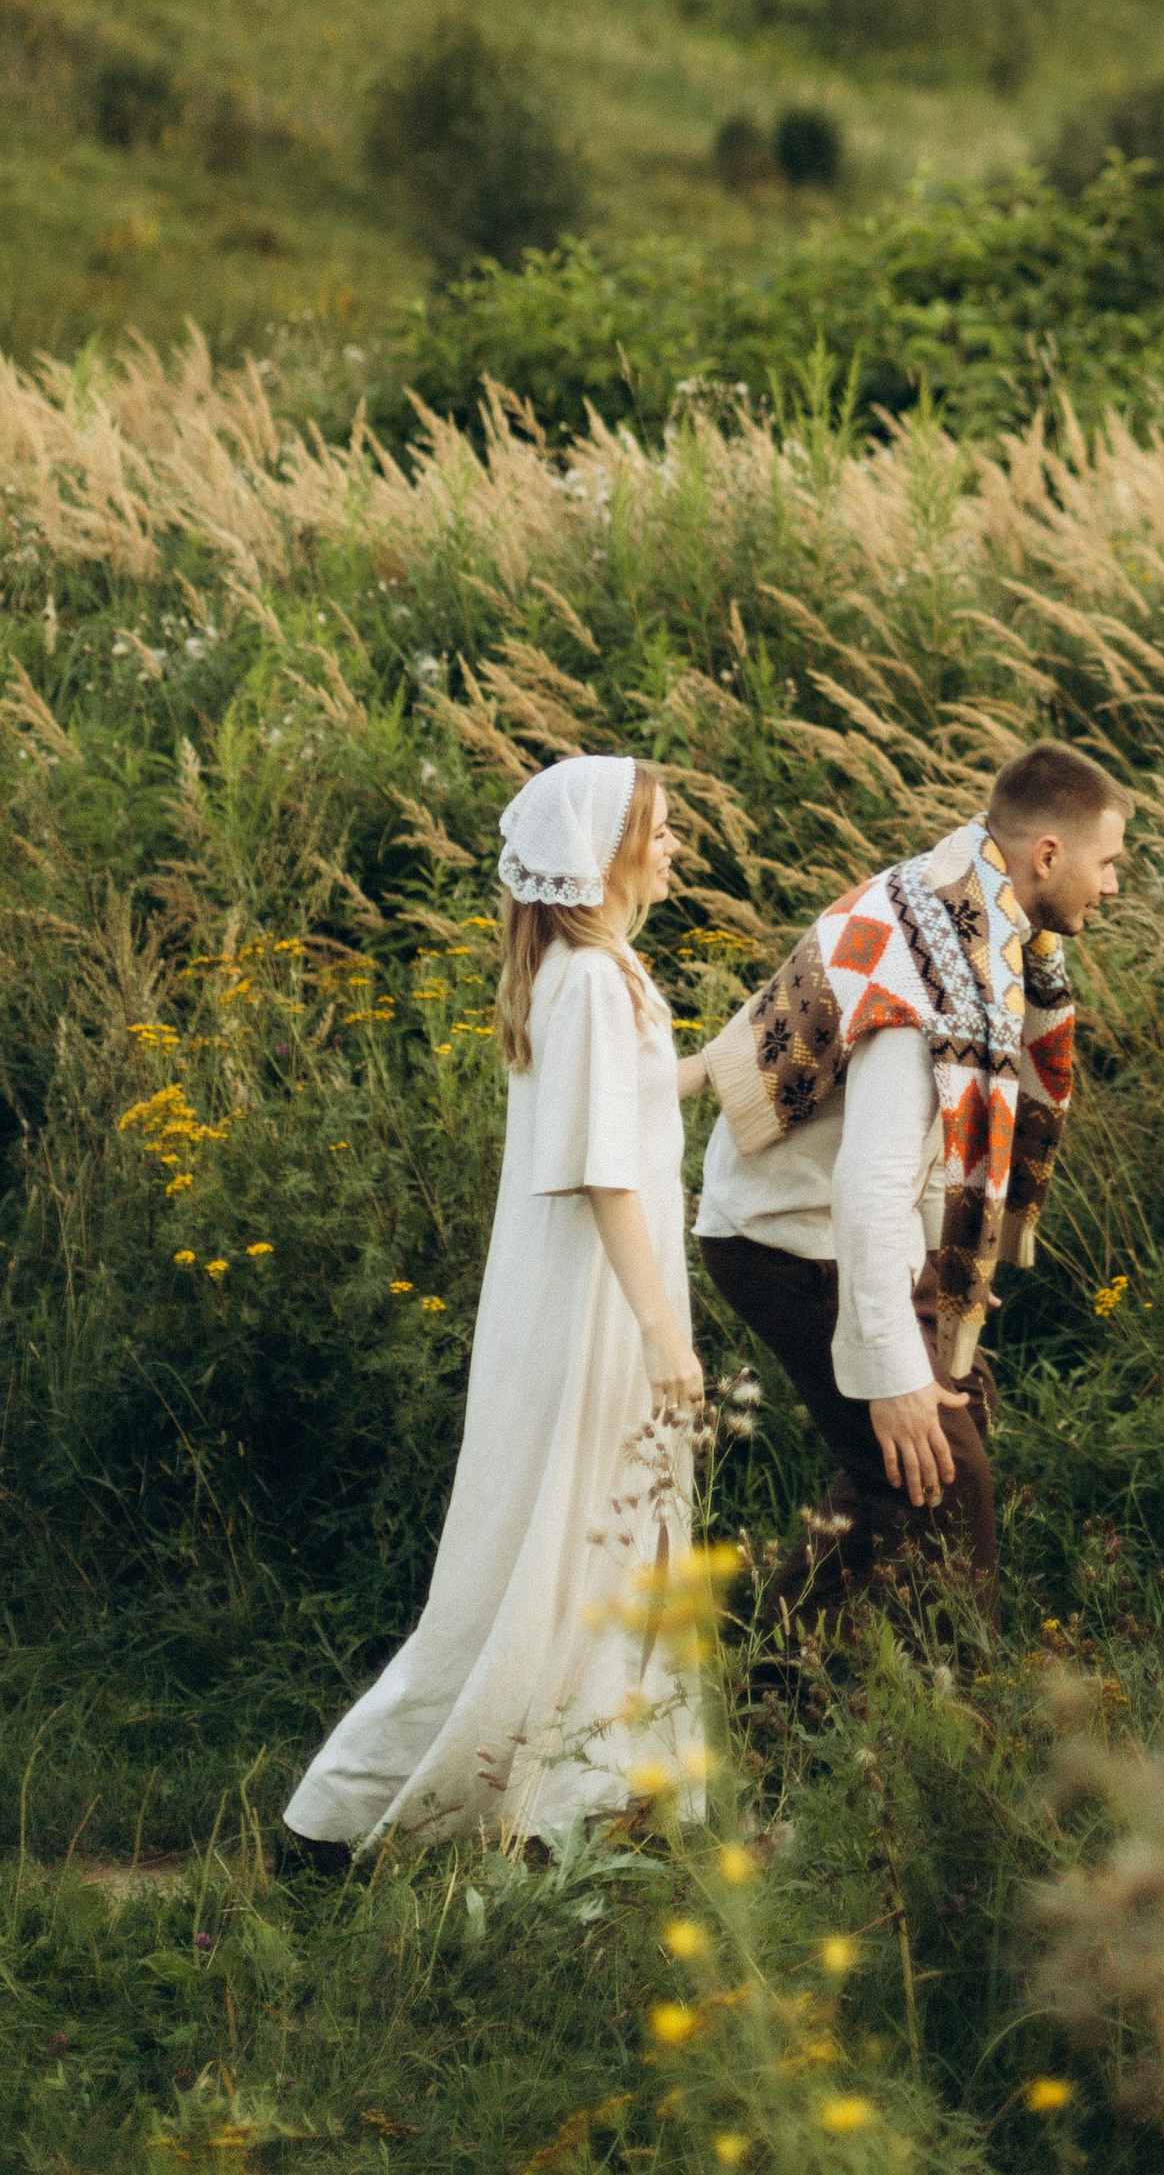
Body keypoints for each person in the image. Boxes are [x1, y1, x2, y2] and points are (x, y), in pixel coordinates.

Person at [279, 755, 710, 1862]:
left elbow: (637, 1097)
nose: (673, 850)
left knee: (577, 1547)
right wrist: (664, 1333)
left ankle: (588, 1807)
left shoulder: (586, 978)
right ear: (603, 854)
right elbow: (607, 1171)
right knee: (550, 1553)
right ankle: (362, 1820)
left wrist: (740, 1052)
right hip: (599, 1316)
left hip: (574, 1304)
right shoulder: (595, 984)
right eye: (658, 832)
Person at [693, 742, 1121, 1649]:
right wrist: (891, 1375)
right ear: (1048, 855)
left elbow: (929, 1139)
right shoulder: (934, 969)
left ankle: (776, 1687)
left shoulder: (973, 914)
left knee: (930, 1443)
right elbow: (871, 1178)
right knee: (940, 1473)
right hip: (784, 1236)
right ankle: (974, 1731)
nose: (1112, 886)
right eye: (1108, 862)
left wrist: (942, 1258)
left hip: (826, 1221)